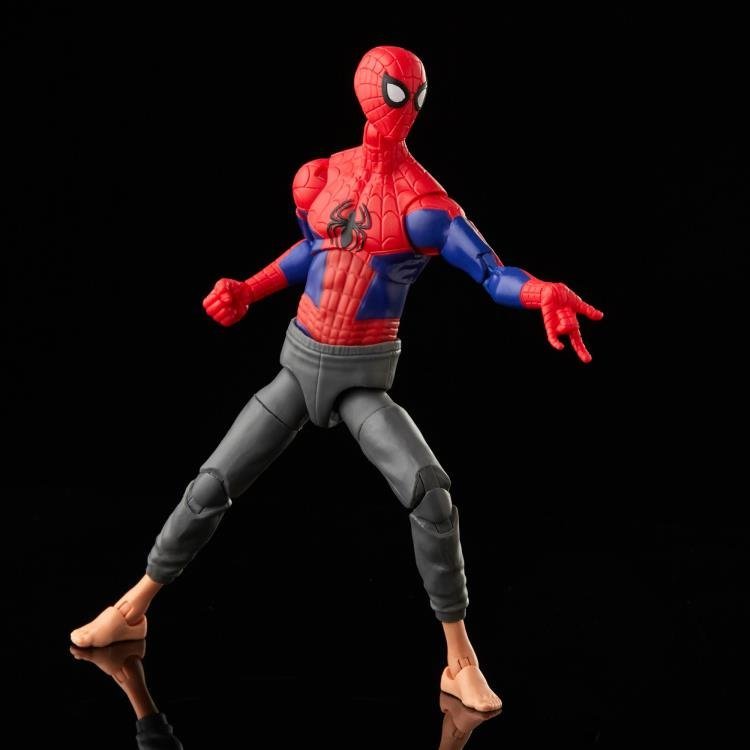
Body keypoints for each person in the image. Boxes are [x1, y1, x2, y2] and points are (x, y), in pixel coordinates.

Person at [71, 46, 602, 712]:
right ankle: (132, 610)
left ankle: (459, 659)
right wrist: (250, 288)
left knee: (430, 494)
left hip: (361, 378)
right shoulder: (322, 177)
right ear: (367, 90)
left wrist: (541, 291)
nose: (405, 109)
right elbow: (315, 248)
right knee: (212, 483)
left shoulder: (426, 206)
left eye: (417, 95)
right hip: (299, 362)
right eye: (396, 92)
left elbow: (493, 274)